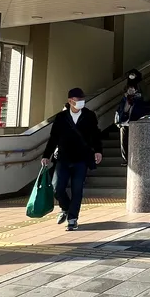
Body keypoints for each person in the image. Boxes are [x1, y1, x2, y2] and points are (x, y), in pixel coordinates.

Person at [40, 88, 102, 231]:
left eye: (82, 99)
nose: (81, 102)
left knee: (77, 189)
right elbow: (53, 138)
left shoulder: (89, 115)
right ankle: (65, 207)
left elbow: (95, 135)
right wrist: (46, 155)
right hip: (63, 158)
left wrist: (98, 151)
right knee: (57, 188)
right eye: (77, 100)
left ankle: (72, 219)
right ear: (70, 101)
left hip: (82, 159)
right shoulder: (61, 117)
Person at [115, 86, 147, 163]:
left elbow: (142, 111)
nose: (131, 91)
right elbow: (120, 111)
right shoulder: (124, 100)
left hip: (134, 123)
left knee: (135, 142)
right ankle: (126, 159)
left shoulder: (138, 100)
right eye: (129, 89)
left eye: (133, 89)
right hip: (124, 123)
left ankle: (135, 158)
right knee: (124, 143)